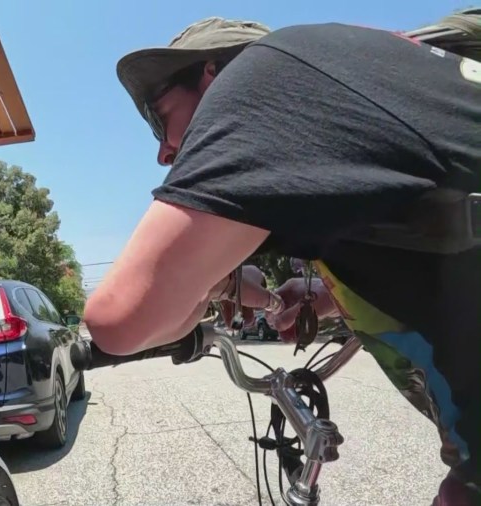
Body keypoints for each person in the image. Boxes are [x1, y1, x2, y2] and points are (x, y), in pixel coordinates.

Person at [83, 13, 480, 505]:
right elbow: (427, 225)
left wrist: (211, 288)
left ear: (212, 73)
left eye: (157, 116)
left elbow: (117, 322)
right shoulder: (352, 91)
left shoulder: (260, 81)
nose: (164, 151)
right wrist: (324, 296)